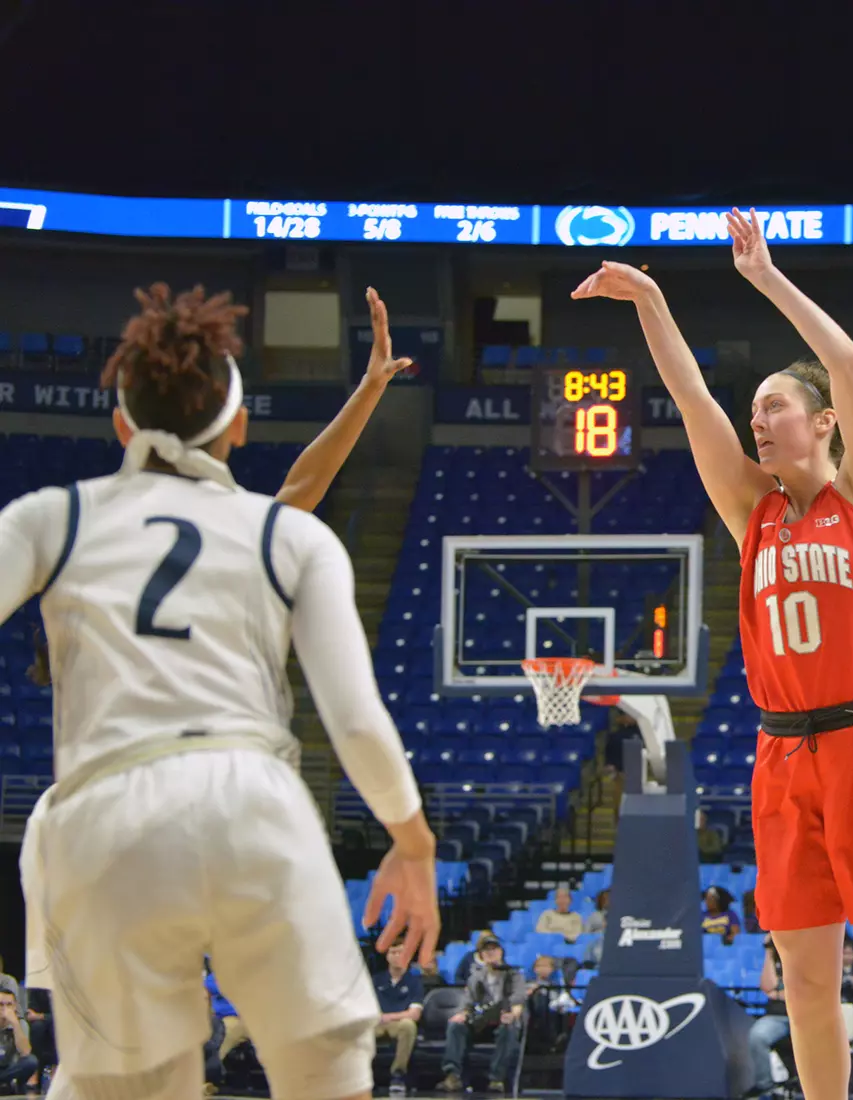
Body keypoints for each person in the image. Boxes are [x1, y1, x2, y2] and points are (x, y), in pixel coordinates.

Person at [12, 283, 437, 1100]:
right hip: (248, 799)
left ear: (122, 425)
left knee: (114, 1080)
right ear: (239, 426)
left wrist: (371, 388)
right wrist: (411, 842)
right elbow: (356, 720)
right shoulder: (276, 535)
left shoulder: (52, 521)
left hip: (96, 813)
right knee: (330, 1076)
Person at [572, 211, 853, 1100]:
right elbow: (693, 401)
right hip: (784, 756)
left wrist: (766, 279)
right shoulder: (756, 515)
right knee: (807, 983)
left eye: (774, 407)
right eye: (757, 412)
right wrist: (653, 302)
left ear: (822, 423)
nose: (757, 421)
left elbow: (850, 366)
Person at [439, 936, 524, 1093]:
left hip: (502, 1019)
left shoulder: (513, 975)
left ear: (501, 952)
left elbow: (518, 1003)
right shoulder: (476, 977)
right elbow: (467, 1004)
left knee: (509, 1027)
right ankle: (452, 1075)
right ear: (481, 955)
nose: (491, 953)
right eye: (487, 950)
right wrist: (463, 1014)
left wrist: (513, 1015)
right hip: (480, 1020)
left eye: (494, 949)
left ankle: (496, 1079)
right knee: (455, 1025)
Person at [373, 941, 424, 1096]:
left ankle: (398, 1074)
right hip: (376, 1023)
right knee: (357, 1027)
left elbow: (414, 1014)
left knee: (408, 1025)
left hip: (398, 1023)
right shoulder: (376, 980)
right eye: (393, 952)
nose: (396, 956)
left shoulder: (414, 982)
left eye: (400, 953)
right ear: (387, 956)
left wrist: (389, 1016)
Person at [749, 935, 791, 1099]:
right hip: (777, 1016)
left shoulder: (805, 954)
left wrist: (778, 993)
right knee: (757, 1036)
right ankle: (766, 1087)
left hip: (805, 1016)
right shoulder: (775, 959)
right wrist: (768, 952)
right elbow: (767, 987)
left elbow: (801, 992)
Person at [0, 989, 39, 1096]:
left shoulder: (21, 1024)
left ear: (15, 1007)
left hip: (10, 1067)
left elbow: (26, 1052)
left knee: (31, 1061)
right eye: (1, 1004)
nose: (5, 1009)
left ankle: (14, 1086)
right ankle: (5, 1084)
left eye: (9, 1005)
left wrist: (14, 1024)